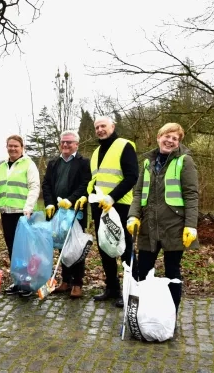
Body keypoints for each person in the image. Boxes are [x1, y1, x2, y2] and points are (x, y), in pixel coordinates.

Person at [127, 123, 198, 314]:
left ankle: (170, 314)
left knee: (172, 272)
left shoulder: (185, 161)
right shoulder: (148, 162)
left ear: (178, 142)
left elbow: (191, 195)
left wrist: (191, 226)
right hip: (148, 226)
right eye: (167, 136)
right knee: (143, 270)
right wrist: (133, 215)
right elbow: (138, 192)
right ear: (159, 137)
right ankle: (143, 313)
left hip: (174, 226)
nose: (170, 141)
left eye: (175, 138)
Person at [89, 116, 138, 308]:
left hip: (120, 206)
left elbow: (132, 176)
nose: (100, 129)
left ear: (113, 127)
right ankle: (112, 288)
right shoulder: (95, 152)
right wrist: (89, 197)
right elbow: (94, 181)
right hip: (100, 208)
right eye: (97, 127)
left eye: (103, 126)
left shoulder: (124, 146)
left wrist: (112, 197)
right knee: (105, 248)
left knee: (125, 249)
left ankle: (131, 290)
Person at [42, 130, 91, 298]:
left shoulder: (84, 163)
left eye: (69, 142)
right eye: (63, 142)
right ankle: (66, 281)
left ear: (76, 144)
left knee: (76, 247)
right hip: (58, 212)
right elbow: (46, 184)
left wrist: (71, 199)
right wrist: (49, 203)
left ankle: (77, 283)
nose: (65, 145)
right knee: (62, 246)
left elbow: (86, 184)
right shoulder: (53, 162)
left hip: (76, 210)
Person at [0, 135, 40, 297]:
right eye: (10, 146)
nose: (12, 148)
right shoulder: (3, 166)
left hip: (23, 214)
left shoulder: (28, 164)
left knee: (25, 250)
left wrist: (28, 207)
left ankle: (28, 283)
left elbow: (34, 187)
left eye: (16, 146)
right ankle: (18, 281)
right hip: (6, 214)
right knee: (13, 249)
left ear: (22, 147)